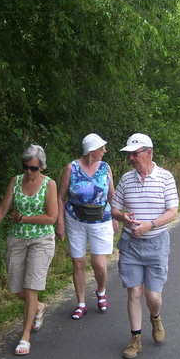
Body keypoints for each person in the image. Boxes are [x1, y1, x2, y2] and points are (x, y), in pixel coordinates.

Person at [0, 145, 58, 356]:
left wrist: (24, 218)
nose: (28, 172)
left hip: (41, 240)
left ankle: (25, 337)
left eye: (33, 168)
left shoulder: (49, 184)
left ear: (41, 166)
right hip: (17, 238)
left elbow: (52, 217)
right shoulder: (15, 181)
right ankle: (39, 308)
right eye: (26, 167)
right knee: (16, 288)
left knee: (31, 287)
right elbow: (2, 209)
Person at [111, 133, 179, 359]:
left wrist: (150, 225)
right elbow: (114, 209)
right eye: (129, 154)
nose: (131, 158)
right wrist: (123, 218)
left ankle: (156, 317)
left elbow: (172, 212)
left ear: (148, 153)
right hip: (131, 244)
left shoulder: (166, 178)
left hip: (156, 243)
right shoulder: (126, 180)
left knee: (152, 295)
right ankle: (136, 338)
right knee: (134, 291)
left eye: (135, 154)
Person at [56, 134, 118, 320]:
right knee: (78, 262)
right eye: (102, 148)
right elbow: (60, 197)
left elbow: (112, 196)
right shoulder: (71, 168)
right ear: (92, 150)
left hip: (101, 220)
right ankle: (81, 303)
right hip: (75, 219)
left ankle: (101, 291)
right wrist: (60, 223)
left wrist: (115, 218)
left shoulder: (106, 168)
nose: (105, 151)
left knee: (98, 263)